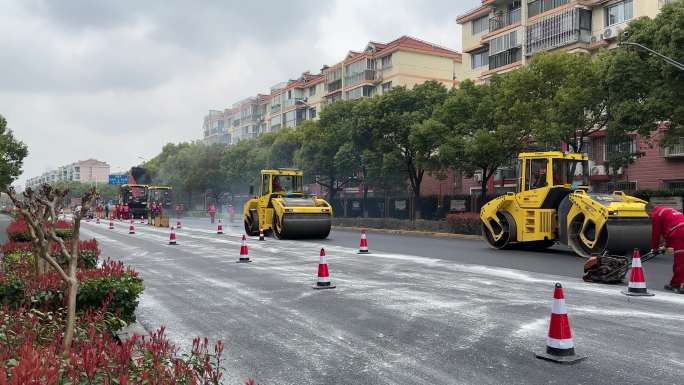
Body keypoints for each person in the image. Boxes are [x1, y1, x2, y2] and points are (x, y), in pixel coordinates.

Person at [647, 203, 684, 294]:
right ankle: (674, 283)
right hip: (679, 231)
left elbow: (656, 234)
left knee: (680, 262)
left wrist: (654, 248)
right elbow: (670, 229)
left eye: (649, 215)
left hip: (679, 233)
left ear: (649, 211)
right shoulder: (668, 210)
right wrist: (666, 245)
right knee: (680, 261)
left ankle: (681, 285)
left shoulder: (656, 214)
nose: (650, 217)